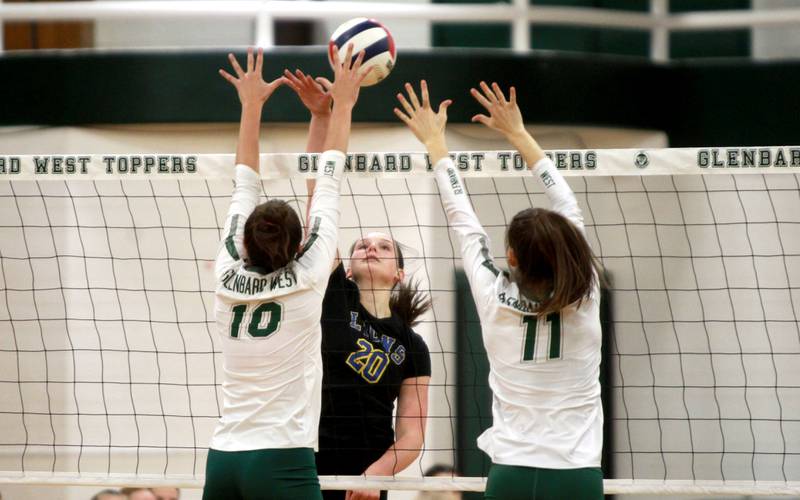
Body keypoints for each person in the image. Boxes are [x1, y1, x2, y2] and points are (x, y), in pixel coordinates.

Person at [394, 80, 603, 500]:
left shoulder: (493, 297)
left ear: (511, 257)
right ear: (568, 250)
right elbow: (569, 207)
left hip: (512, 476)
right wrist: (519, 133)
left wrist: (436, 143)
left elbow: (462, 220)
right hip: (576, 475)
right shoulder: (586, 290)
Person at [201, 44, 367, 500]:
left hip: (223, 458)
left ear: (245, 241)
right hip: (281, 458)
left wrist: (250, 106)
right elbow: (328, 179)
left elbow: (244, 180)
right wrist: (344, 105)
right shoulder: (311, 274)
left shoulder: (224, 272)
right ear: (298, 244)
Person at [283, 68, 432, 500]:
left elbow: (410, 434)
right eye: (362, 244)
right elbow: (319, 196)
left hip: (365, 477)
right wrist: (321, 117)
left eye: (383, 246)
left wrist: (378, 473)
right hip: (306, 460)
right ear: (346, 267)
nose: (370, 247)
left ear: (398, 273)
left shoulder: (412, 345)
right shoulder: (334, 294)